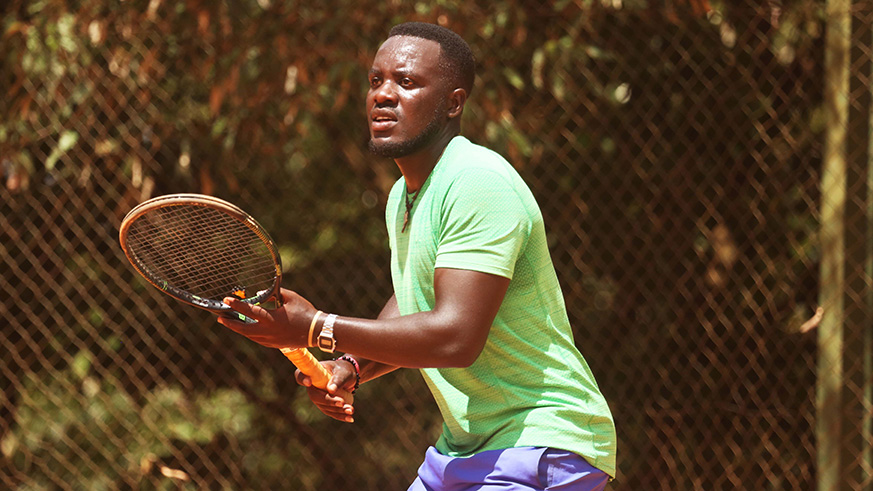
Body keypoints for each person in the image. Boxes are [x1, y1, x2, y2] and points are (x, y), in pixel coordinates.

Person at [217, 21, 617, 490]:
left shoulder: (476, 181)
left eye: (406, 82)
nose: (382, 95)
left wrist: (315, 328)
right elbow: (415, 297)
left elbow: (455, 338)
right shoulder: (403, 198)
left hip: (541, 443)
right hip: (461, 452)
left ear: (453, 102)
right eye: (375, 81)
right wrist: (349, 364)